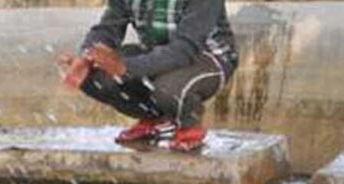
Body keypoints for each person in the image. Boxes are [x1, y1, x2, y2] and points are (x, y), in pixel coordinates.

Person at [60, 0, 239, 151]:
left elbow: (185, 50)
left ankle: (189, 124)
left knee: (169, 89)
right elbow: (107, 30)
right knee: (94, 76)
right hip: (156, 52)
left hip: (206, 56)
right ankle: (155, 119)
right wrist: (87, 56)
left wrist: (125, 67)